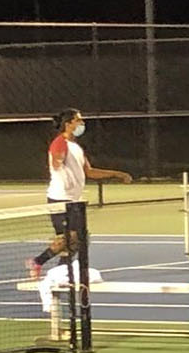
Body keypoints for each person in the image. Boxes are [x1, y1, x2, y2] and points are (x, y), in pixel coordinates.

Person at [28, 108, 132, 313]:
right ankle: (38, 262)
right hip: (59, 199)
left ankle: (60, 269)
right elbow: (56, 160)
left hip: (74, 201)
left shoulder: (76, 147)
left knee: (80, 239)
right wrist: (58, 164)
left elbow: (90, 172)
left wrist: (117, 174)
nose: (82, 124)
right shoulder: (60, 142)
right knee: (71, 237)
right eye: (78, 120)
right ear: (69, 123)